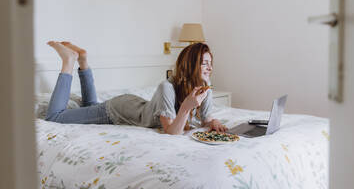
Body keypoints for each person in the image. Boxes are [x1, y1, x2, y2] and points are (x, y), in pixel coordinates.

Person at [45, 41, 227, 135]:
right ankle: (69, 61)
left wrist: (214, 123)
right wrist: (187, 107)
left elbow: (206, 120)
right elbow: (172, 132)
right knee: (55, 117)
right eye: (204, 63)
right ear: (190, 65)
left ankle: (82, 59)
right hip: (117, 111)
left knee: (89, 106)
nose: (210, 68)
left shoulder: (204, 89)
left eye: (210, 63)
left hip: (134, 105)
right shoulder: (167, 87)